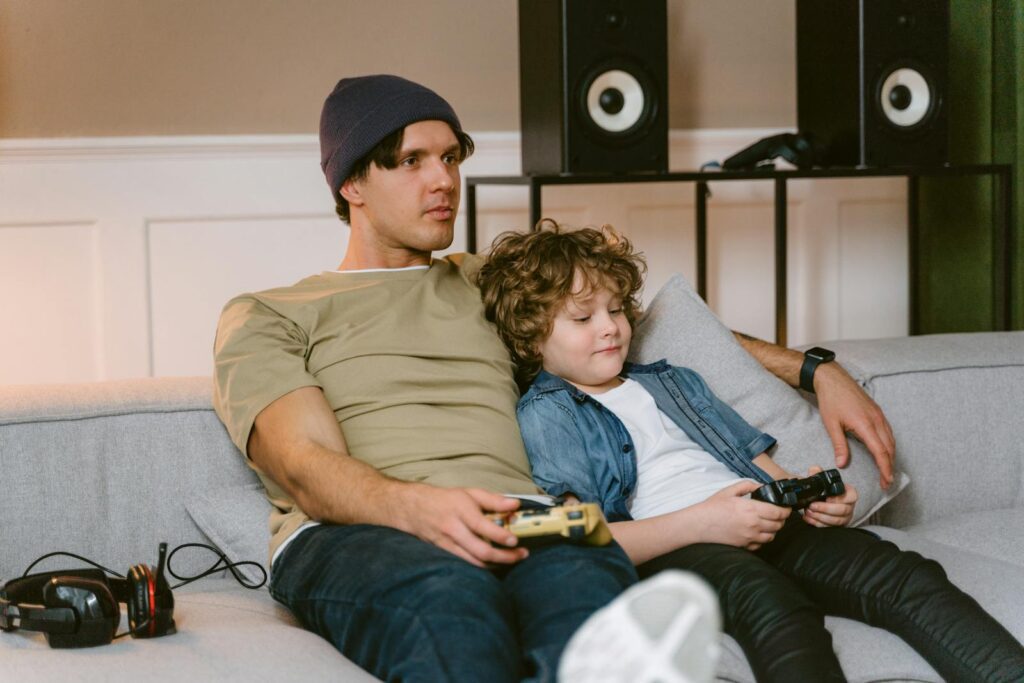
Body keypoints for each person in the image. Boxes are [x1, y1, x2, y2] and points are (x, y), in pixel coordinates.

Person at [211, 73, 897, 682]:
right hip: (360, 535)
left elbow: (643, 330)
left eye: (450, 157)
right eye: (412, 161)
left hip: (529, 521)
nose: (444, 180)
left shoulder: (484, 282)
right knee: (454, 608)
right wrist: (424, 508)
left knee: (592, 612)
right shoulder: (270, 313)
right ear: (352, 183)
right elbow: (306, 465)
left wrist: (815, 368)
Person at [477, 221, 1024, 682]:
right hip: (679, 545)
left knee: (904, 574)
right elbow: (585, 538)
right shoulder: (548, 413)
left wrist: (807, 498)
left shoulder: (674, 382)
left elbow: (755, 462)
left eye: (616, 310)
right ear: (531, 337)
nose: (611, 329)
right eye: (583, 318)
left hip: (760, 519)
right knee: (773, 606)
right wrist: (707, 522)